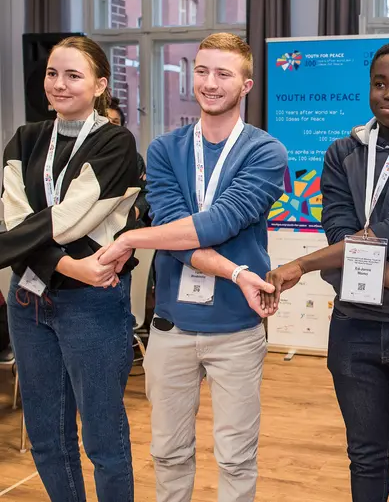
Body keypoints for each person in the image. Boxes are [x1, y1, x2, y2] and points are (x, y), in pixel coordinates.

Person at [261, 42, 389, 501]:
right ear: (369, 89)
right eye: (380, 84)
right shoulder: (341, 154)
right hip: (354, 328)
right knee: (366, 455)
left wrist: (302, 263)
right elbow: (338, 232)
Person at [100, 32, 287, 502]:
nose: (209, 82)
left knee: (236, 457)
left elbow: (216, 224)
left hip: (236, 331)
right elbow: (180, 237)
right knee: (167, 453)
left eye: (224, 73)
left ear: (246, 84)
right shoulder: (164, 149)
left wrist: (133, 237)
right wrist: (239, 274)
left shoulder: (266, 153)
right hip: (171, 329)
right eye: (201, 70)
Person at [0, 36, 140, 501]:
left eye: (73, 75)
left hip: (90, 306)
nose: (59, 84)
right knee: (46, 436)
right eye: (52, 74)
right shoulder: (25, 138)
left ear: (100, 84)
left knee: (102, 438)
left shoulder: (114, 142)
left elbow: (72, 218)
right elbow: (16, 221)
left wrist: (16, 244)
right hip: (28, 300)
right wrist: (67, 265)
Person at [107, 97, 151, 227]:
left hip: (124, 226)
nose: (109, 126)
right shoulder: (86, 155)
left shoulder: (134, 158)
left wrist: (135, 212)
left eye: (115, 122)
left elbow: (145, 193)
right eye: (105, 120)